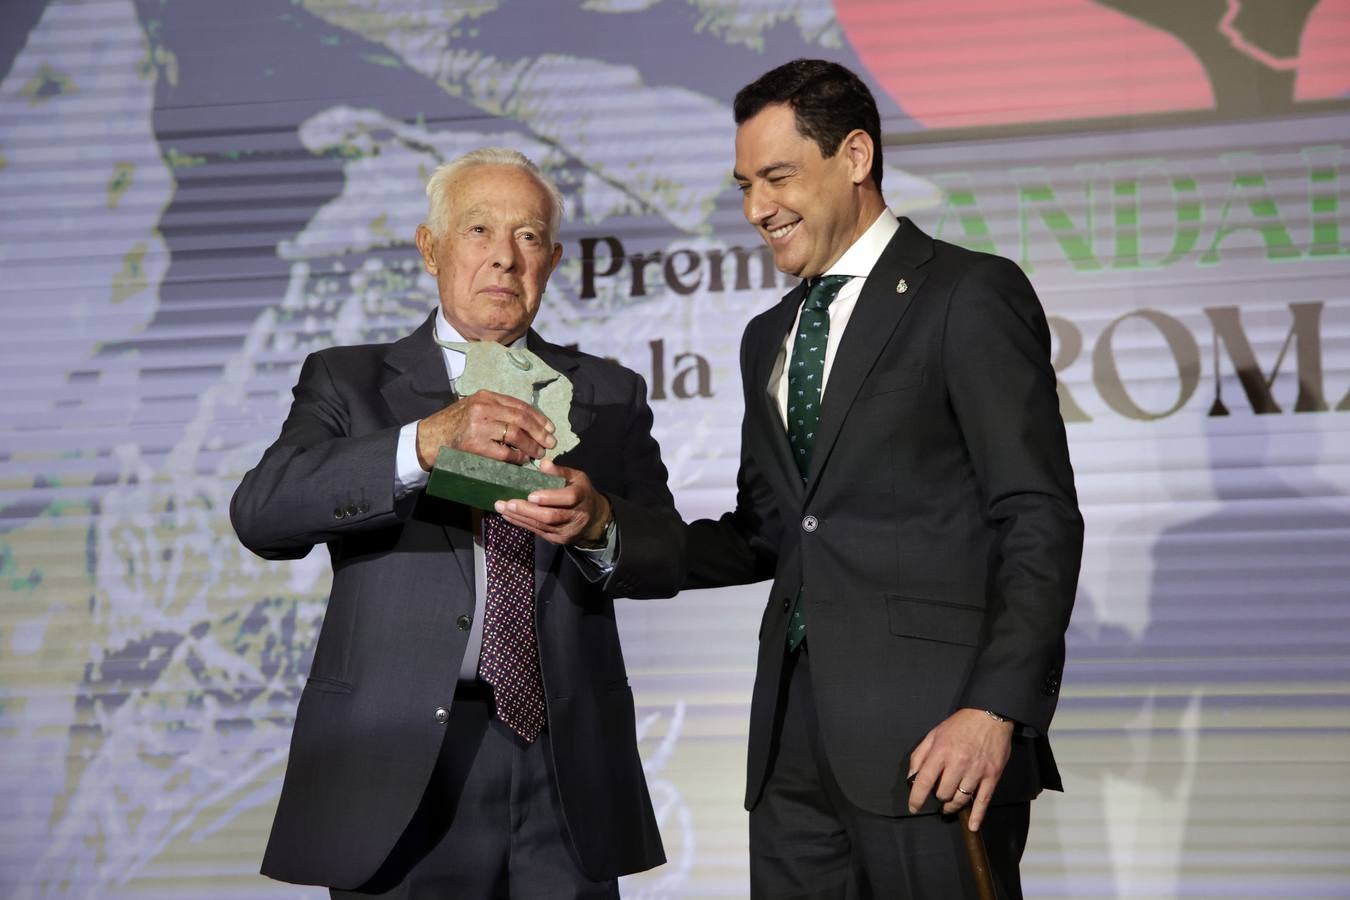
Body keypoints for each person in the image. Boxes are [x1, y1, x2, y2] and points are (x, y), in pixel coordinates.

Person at [231, 147, 683, 898]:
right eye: (478, 230)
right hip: (398, 762)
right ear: (430, 246)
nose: (505, 257)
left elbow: (670, 556)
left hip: (563, 768)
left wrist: (600, 523)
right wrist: (424, 443)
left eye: (530, 236)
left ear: (554, 259)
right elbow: (263, 512)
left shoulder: (607, 391)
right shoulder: (351, 380)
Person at [684, 59, 1084, 898]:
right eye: (745, 184)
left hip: (935, 744)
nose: (757, 208)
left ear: (856, 155)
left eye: (778, 176)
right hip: (792, 748)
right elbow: (771, 529)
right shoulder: (768, 336)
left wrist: (994, 711)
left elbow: (1037, 515)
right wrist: (603, 528)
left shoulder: (967, 294)